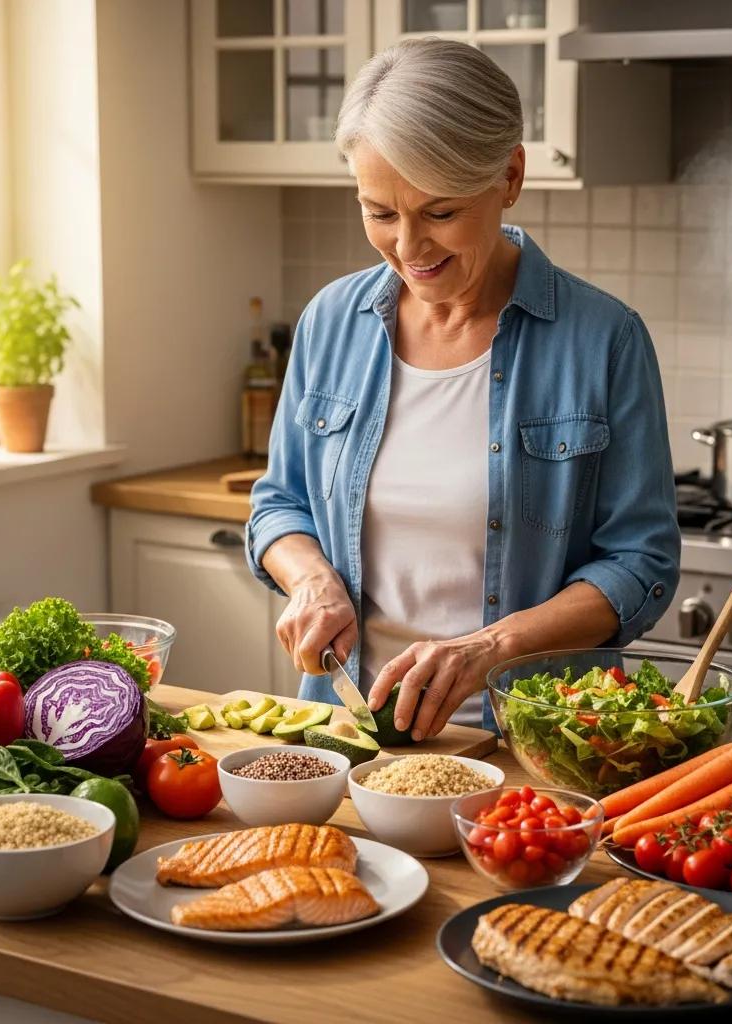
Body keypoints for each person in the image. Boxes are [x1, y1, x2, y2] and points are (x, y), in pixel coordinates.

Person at [246, 38, 680, 740]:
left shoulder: (605, 339)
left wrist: (489, 650)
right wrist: (311, 579)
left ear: (509, 175)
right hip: (344, 738)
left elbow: (641, 563)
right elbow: (278, 503)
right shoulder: (332, 320)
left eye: (440, 212)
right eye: (381, 212)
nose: (410, 248)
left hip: (534, 748)